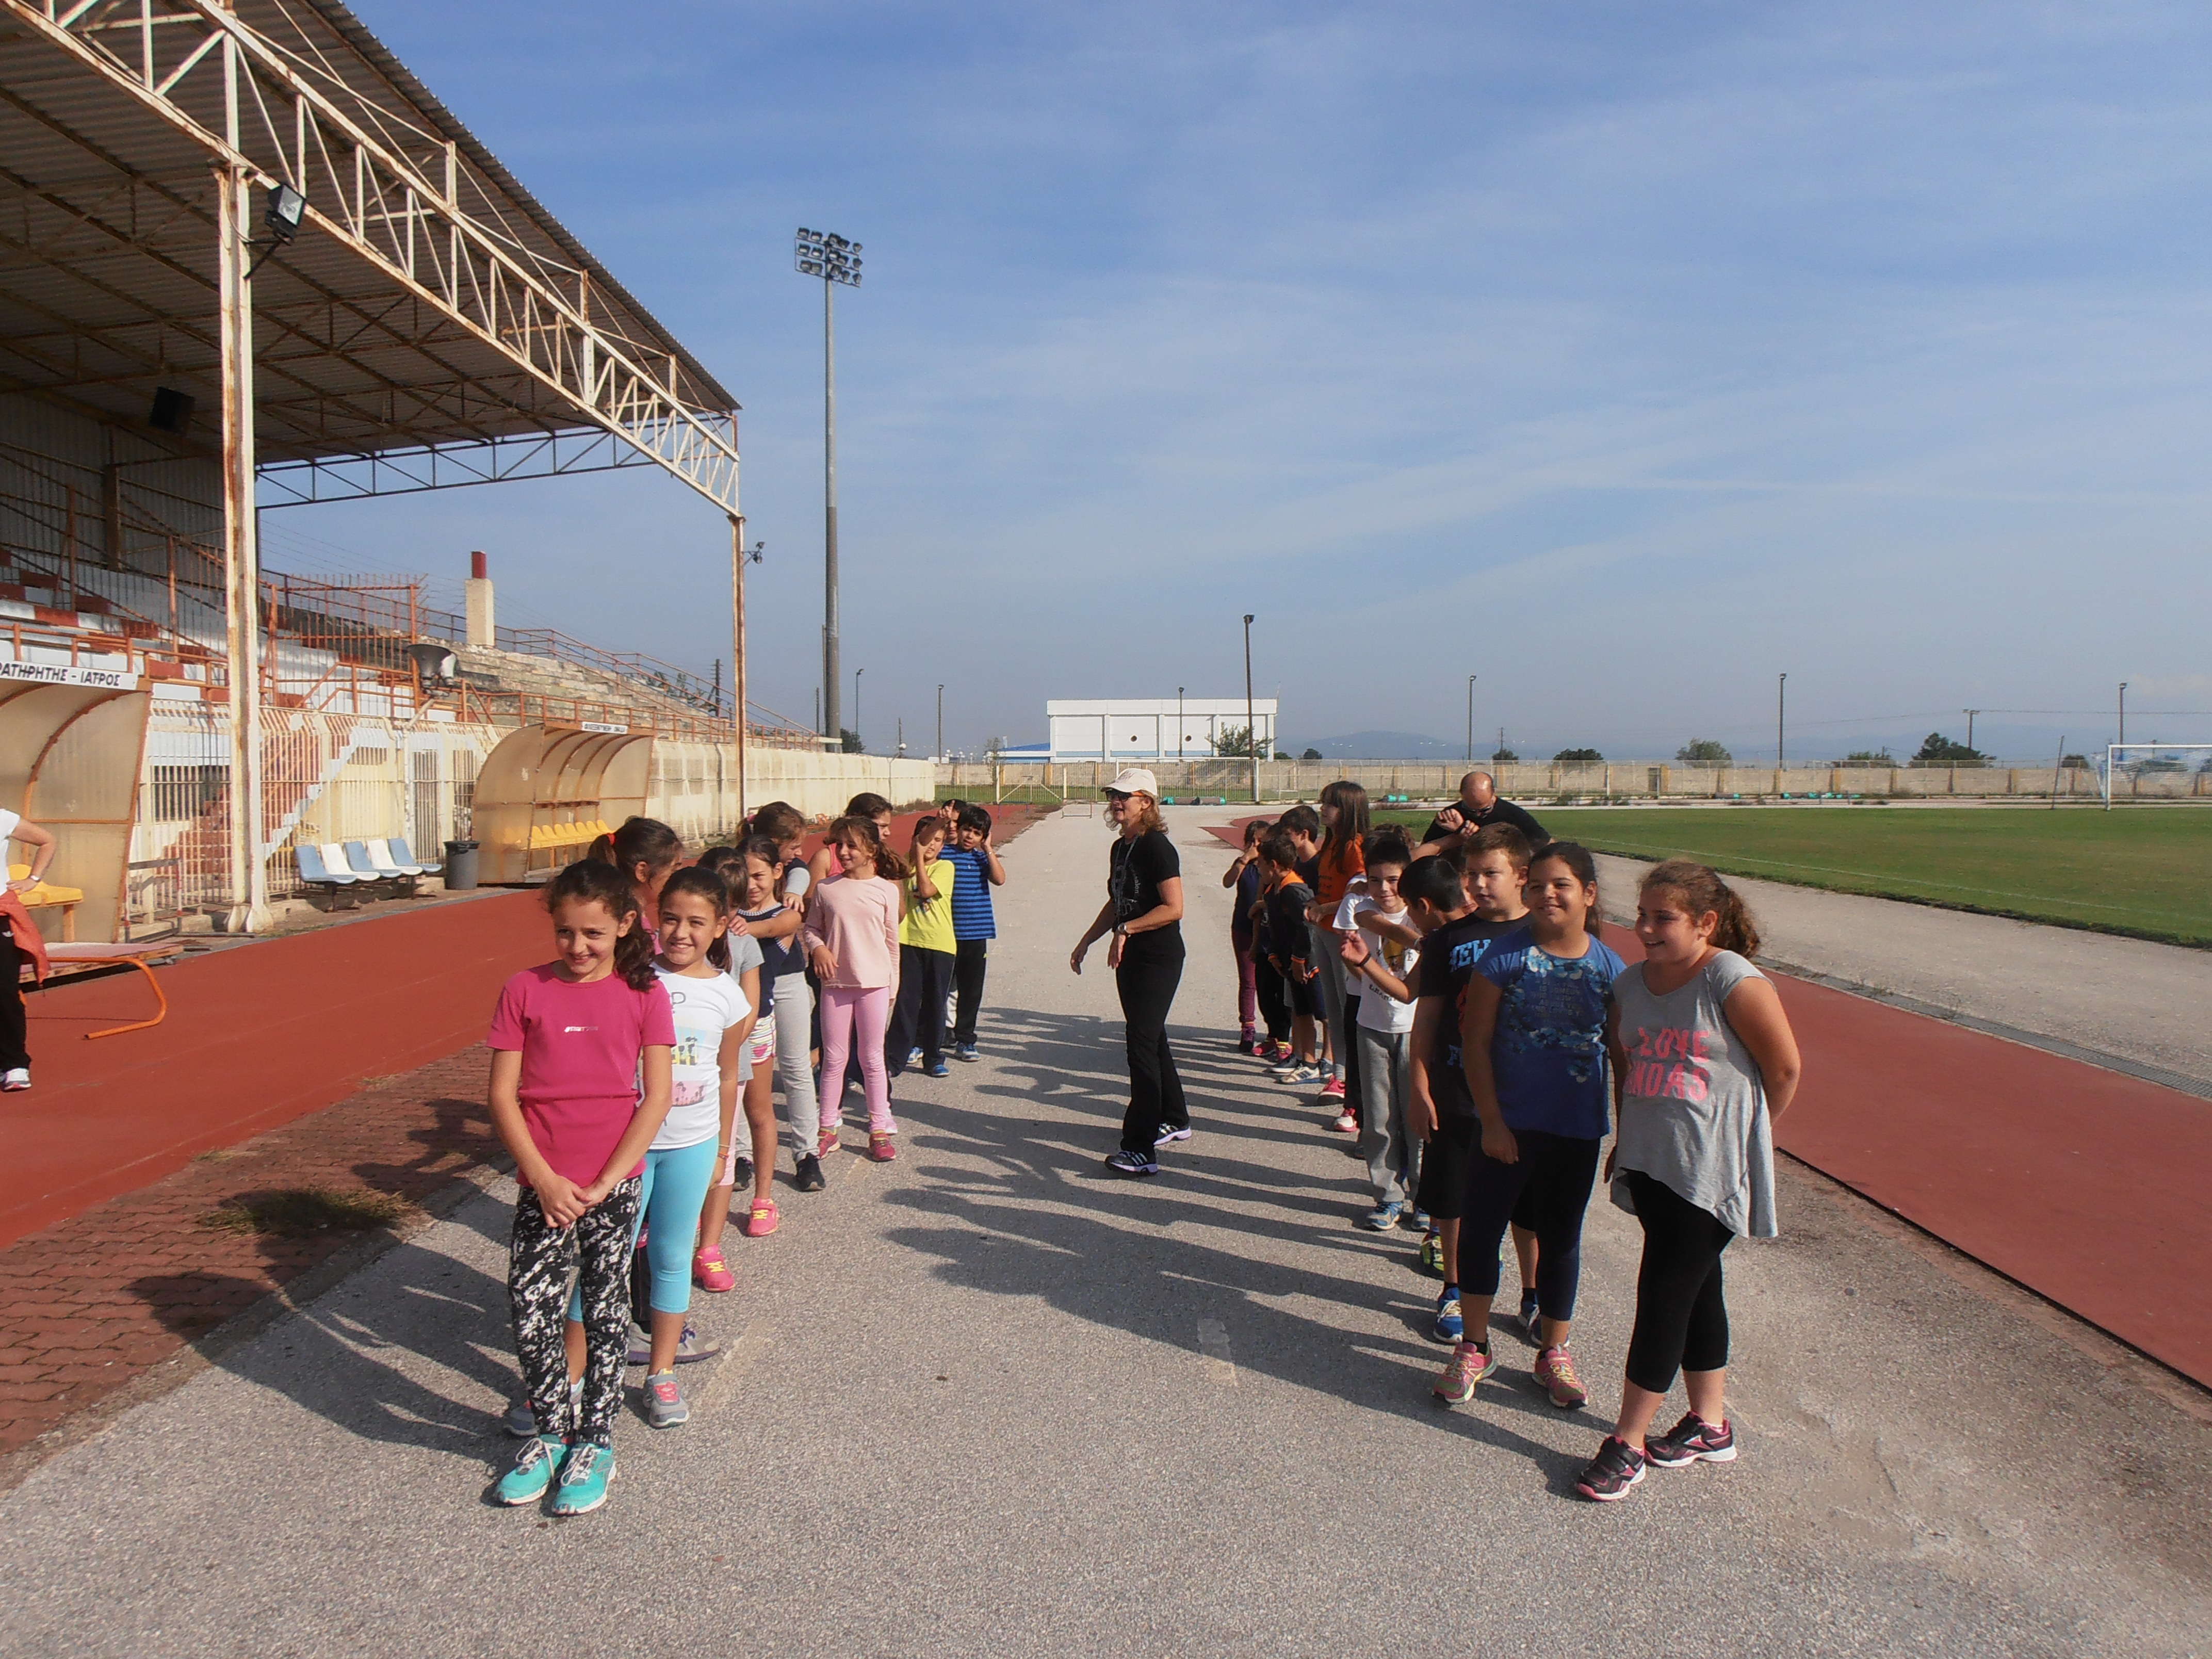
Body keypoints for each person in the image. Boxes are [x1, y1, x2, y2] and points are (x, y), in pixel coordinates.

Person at [1574, 861, 1803, 1503]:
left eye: (1663, 918)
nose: (1645, 928)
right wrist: (1624, 1140)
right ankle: (1710, 1424)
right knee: (1698, 1289)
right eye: (1641, 915)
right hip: (1652, 1161)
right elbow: (1627, 1068)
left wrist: (1739, 1140)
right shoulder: (1629, 984)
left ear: (1705, 922)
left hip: (1709, 1171)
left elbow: (1784, 1070)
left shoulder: (1729, 978)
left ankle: (1627, 1442)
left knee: (1663, 1295)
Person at [487, 859, 674, 1516]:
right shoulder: (524, 990)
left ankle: (595, 1441)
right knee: (530, 1303)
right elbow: (503, 1096)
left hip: (611, 1187)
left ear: (624, 925)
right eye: (565, 932)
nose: (577, 946)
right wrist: (543, 1179)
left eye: (593, 933)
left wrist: (606, 1180)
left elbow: (656, 1097)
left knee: (603, 1307)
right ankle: (549, 1434)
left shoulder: (645, 994)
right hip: (545, 1186)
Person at [1444, 841, 1625, 1413]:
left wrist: (1627, 1136)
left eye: (1562, 885)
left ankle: (1554, 1351)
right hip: (1508, 1128)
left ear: (1588, 894)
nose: (1548, 894)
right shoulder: (1504, 957)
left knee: (1561, 1240)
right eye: (1538, 885)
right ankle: (1474, 1347)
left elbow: (1622, 1058)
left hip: (1575, 1130)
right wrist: (1492, 1122)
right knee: (1481, 1233)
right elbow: (1475, 1043)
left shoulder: (1610, 969)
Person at [1069, 769, 1186, 1177]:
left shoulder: (1157, 847)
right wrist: (1088, 939)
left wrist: (1127, 930)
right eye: (1112, 795)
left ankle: (1140, 1148)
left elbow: (1174, 908)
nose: (1116, 802)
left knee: (1140, 1044)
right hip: (1130, 956)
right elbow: (1117, 902)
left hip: (1158, 957)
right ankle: (1176, 1117)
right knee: (1150, 1036)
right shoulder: (1121, 847)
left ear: (1146, 803)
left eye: (1124, 796)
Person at [802, 815, 906, 1163]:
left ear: (871, 850)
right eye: (839, 845)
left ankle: (879, 1127)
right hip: (835, 985)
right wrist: (818, 948)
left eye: (852, 846)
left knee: (872, 1057)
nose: (843, 852)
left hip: (875, 985)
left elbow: (892, 943)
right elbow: (811, 928)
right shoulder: (826, 889)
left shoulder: (886, 890)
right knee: (834, 1058)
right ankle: (827, 1127)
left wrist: (893, 986)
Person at [1335, 830, 1422, 1230]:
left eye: (1393, 880)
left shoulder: (1422, 912)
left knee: (1417, 1118)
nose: (1384, 889)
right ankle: (1388, 1195)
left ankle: (1424, 1195)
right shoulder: (1361, 905)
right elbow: (1361, 936)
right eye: (1375, 879)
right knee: (1379, 1118)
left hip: (1415, 1029)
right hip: (1371, 1024)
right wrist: (1366, 973)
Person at [743, 803, 826, 1193]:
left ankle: (806, 1152)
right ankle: (742, 1155)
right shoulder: (737, 868)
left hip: (787, 977)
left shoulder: (790, 873)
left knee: (795, 1066)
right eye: (793, 845)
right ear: (775, 842)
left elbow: (800, 876)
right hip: (743, 983)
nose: (798, 852)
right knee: (740, 1071)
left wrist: (792, 894)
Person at [1309, 782, 1370, 1120]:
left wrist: (1324, 909)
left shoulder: (1353, 847)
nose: (1323, 809)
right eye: (1323, 803)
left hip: (1341, 933)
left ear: (1347, 809)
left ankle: (1350, 1079)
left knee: (1348, 1009)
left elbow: (1359, 894)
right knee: (1333, 1006)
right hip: (1324, 930)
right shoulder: (1332, 843)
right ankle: (1340, 1073)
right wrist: (1316, 904)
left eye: (1329, 804)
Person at [887, 815, 957, 1079]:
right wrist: (915, 853)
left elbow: (926, 890)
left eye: (938, 840)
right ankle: (895, 1058)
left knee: (935, 1003)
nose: (932, 845)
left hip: (939, 944)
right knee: (906, 1002)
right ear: (917, 840)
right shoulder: (904, 865)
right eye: (928, 840)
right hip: (908, 941)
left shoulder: (945, 867)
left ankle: (933, 1057)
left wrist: (919, 855)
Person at [938, 804, 1005, 1062]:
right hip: (946, 934)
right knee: (940, 989)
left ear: (983, 837)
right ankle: (934, 1035)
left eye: (977, 833)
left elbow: (1000, 879)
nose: (970, 836)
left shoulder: (981, 858)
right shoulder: (944, 854)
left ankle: (965, 1040)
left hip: (976, 934)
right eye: (967, 829)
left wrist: (988, 849)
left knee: (971, 991)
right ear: (958, 828)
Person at [0, 805, 58, 1092]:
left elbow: (47, 840)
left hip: (1, 913)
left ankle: (14, 1064)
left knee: (3, 990)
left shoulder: (2, 818)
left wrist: (32, 880)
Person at [1258, 829, 1323, 1085]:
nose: (1258, 869)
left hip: (1307, 965)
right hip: (1289, 962)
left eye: (1260, 864)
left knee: (1322, 1013)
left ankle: (1322, 1063)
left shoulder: (1294, 891)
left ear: (1273, 865)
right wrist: (1275, 953)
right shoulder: (1274, 890)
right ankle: (1304, 1058)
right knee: (1300, 1010)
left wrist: (1299, 960)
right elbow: (1276, 927)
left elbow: (1306, 928)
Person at [592, 816, 685, 947]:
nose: (679, 879)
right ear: (642, 872)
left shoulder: (635, 921)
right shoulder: (627, 932)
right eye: (674, 870)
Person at [1416, 771, 1546, 859]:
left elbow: (1545, 845)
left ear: (1493, 793)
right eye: (1471, 811)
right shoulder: (1450, 816)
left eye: (1485, 810)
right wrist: (1456, 837)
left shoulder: (1513, 814)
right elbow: (1419, 856)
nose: (1478, 815)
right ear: (1462, 795)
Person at [1222, 818, 1268, 1054]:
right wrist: (1244, 859)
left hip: (1269, 931)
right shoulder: (1244, 864)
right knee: (1249, 981)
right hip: (1243, 927)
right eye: (1252, 841)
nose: (1255, 845)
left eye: (1260, 841)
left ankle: (1276, 1031)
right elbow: (1227, 882)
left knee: (1269, 982)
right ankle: (1247, 1026)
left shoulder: (1274, 866)